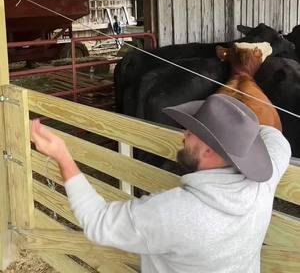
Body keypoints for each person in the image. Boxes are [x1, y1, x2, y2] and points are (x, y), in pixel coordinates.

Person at [31, 94, 291, 273]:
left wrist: (62, 156)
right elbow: (277, 139)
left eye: (192, 133)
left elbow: (97, 221)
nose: (183, 134)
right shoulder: (261, 184)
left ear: (211, 152)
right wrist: (240, 137)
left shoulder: (173, 212)